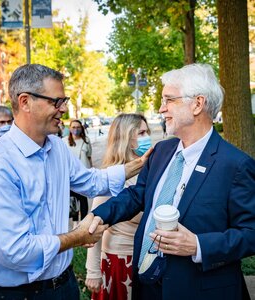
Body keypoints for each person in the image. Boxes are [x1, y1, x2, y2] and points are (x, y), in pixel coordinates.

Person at [0, 64, 150, 300]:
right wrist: (78, 237)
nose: (64, 109)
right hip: (19, 295)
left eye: (65, 100)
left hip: (64, 285)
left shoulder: (57, 148)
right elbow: (15, 251)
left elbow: (91, 181)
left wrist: (139, 164)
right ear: (25, 102)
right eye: (57, 102)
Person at [89, 63, 255, 300]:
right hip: (148, 284)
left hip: (199, 290)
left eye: (168, 100)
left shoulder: (236, 164)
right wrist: (100, 215)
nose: (161, 108)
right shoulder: (162, 151)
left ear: (197, 104)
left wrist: (198, 245)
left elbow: (250, 233)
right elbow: (138, 195)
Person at [85, 113, 152, 300]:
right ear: (127, 139)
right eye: (142, 133)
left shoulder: (148, 172)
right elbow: (95, 225)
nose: (148, 137)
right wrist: (92, 272)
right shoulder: (112, 177)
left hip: (143, 257)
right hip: (120, 260)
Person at [64, 119, 92, 228]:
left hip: (83, 175)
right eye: (73, 127)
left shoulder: (86, 141)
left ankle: (83, 223)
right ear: (70, 129)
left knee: (83, 200)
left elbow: (89, 156)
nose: (76, 129)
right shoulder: (64, 141)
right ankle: (75, 222)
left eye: (78, 127)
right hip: (70, 176)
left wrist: (91, 169)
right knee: (73, 200)